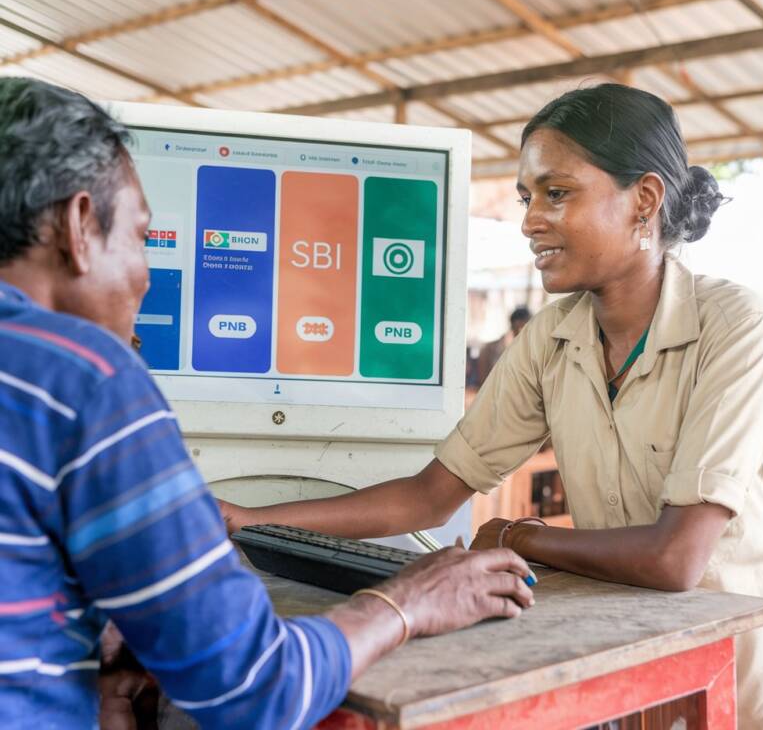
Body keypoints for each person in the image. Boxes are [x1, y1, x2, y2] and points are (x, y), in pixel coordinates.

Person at [221, 83, 763, 729]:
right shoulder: (551, 339)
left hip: (730, 668)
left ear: (644, 200)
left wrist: (522, 536)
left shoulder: (737, 328)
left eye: (558, 193)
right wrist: (248, 518)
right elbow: (428, 496)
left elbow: (676, 557)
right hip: (621, 652)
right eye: (528, 197)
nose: (531, 219)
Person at [0, 77, 535, 730]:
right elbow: (256, 688)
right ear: (81, 226)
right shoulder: (85, 377)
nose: (145, 275)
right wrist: (404, 604)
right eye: (141, 238)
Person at [476, 305, 531, 386]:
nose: (521, 332)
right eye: (519, 328)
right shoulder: (489, 349)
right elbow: (483, 380)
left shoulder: (532, 349)